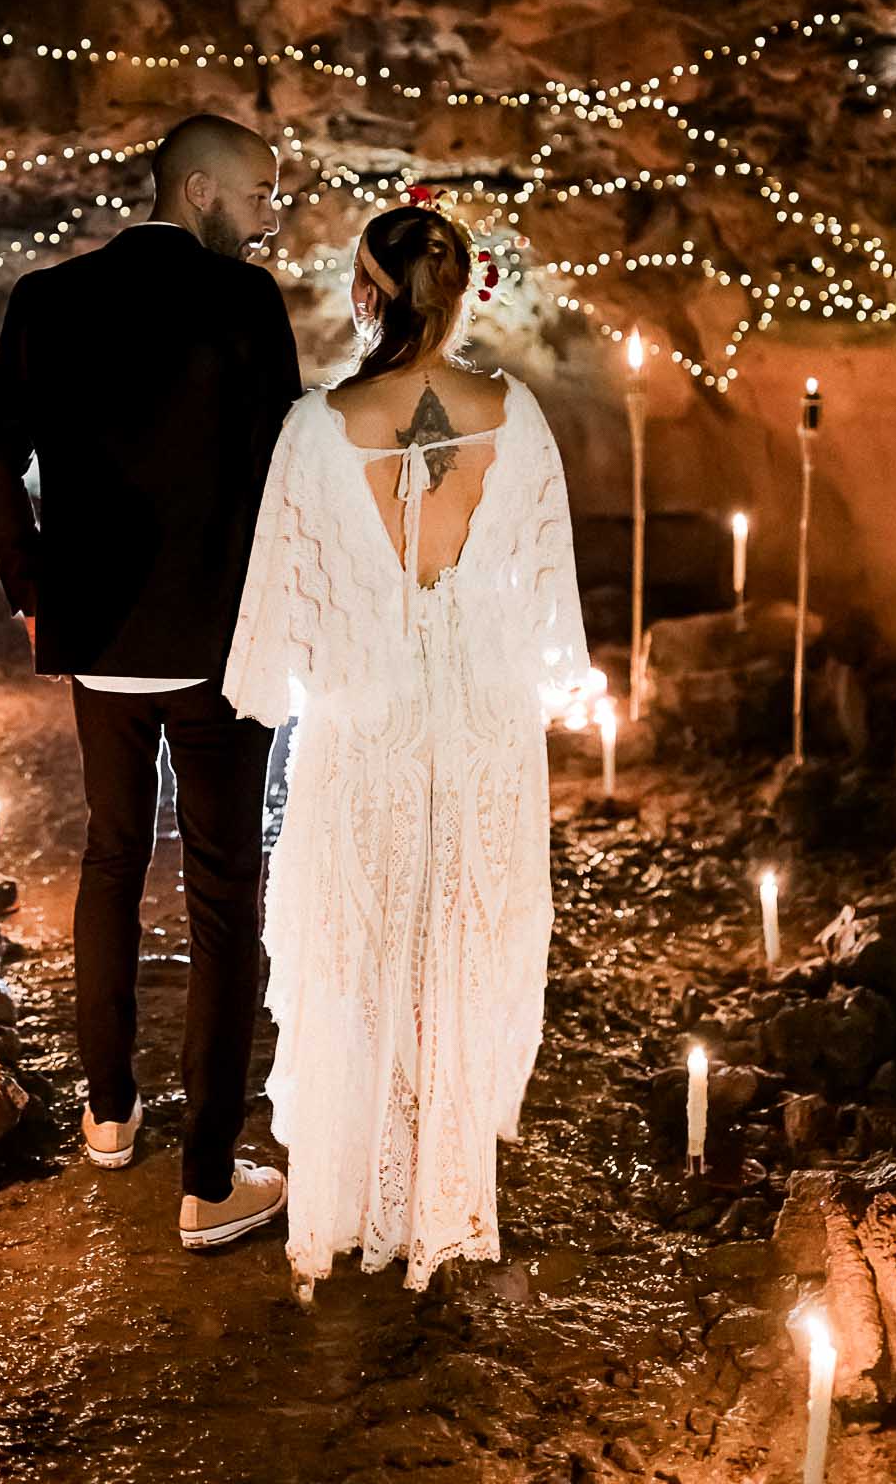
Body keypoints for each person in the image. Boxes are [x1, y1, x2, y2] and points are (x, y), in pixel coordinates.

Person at [223, 199, 590, 1295]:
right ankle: (438, 1197)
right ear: (463, 287)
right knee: (460, 937)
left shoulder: (313, 425)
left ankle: (349, 1202)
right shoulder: (515, 415)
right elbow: (546, 582)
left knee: (356, 944)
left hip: (365, 721)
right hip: (479, 723)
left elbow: (278, 590)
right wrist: (541, 674)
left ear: (369, 294)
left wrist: (291, 684)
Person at [0, 113, 302, 1250]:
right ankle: (207, 1178)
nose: (267, 215)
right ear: (198, 189)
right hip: (221, 646)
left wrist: (33, 590)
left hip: (100, 645)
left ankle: (108, 1115)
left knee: (108, 858)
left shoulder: (46, 300)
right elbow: (284, 476)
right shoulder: (245, 303)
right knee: (222, 894)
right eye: (258, 193)